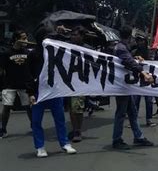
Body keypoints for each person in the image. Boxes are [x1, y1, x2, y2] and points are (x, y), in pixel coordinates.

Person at [28, 26, 77, 157]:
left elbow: (71, 47)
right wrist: (31, 93)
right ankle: (40, 147)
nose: (51, 38)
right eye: (48, 36)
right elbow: (29, 75)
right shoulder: (33, 54)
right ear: (41, 38)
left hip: (54, 90)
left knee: (60, 119)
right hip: (39, 92)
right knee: (36, 121)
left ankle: (65, 143)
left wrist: (64, 33)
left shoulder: (55, 51)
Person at [112, 26, 154, 150]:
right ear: (130, 37)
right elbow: (128, 61)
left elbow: (127, 60)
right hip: (122, 86)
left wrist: (136, 58)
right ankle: (117, 140)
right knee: (121, 113)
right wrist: (144, 73)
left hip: (126, 86)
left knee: (132, 112)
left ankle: (138, 137)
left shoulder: (122, 47)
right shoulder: (121, 48)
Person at [0, 30, 33, 138]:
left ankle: (34, 126)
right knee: (7, 106)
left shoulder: (28, 53)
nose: (26, 40)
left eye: (26, 38)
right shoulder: (6, 53)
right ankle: (3, 129)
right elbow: (2, 69)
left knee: (29, 106)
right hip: (10, 84)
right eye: (23, 38)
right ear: (16, 39)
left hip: (25, 84)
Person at [67, 26, 90, 142]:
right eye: (72, 35)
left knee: (78, 108)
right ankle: (74, 128)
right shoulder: (66, 47)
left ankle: (78, 130)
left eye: (76, 35)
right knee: (71, 108)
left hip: (80, 82)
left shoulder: (88, 50)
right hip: (67, 81)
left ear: (82, 36)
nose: (73, 37)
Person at [131, 35, 156, 127]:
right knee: (135, 101)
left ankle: (149, 119)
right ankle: (134, 120)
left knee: (149, 101)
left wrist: (145, 60)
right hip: (136, 80)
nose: (140, 43)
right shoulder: (133, 52)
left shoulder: (149, 53)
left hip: (147, 79)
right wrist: (135, 58)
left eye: (142, 41)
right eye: (138, 41)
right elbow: (129, 61)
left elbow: (154, 64)